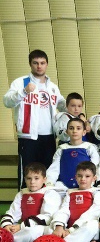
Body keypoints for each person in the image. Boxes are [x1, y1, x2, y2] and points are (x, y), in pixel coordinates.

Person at [3, 50, 66, 189]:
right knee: (27, 172)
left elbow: (64, 105)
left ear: (47, 64)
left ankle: (46, 201)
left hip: (49, 137)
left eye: (42, 63)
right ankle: (23, 201)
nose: (39, 66)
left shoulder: (52, 87)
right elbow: (7, 102)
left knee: (47, 173)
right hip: (28, 137)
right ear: (30, 64)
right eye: (35, 63)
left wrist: (79, 115)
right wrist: (24, 91)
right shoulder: (21, 82)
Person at [0, 163, 62, 242]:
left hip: (43, 228)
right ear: (25, 179)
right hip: (23, 227)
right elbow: (12, 212)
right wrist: (7, 226)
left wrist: (21, 226)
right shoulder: (22, 193)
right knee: (7, 230)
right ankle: (6, 239)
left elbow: (48, 217)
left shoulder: (50, 193)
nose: (32, 182)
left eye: (36, 178)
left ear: (44, 179)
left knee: (30, 232)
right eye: (29, 178)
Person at [49, 161, 100, 242]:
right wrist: (59, 226)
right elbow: (64, 210)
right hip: (69, 229)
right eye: (80, 176)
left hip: (83, 228)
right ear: (75, 177)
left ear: (94, 178)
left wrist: (73, 229)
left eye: (87, 176)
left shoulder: (97, 192)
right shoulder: (70, 192)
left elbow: (95, 211)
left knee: (92, 225)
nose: (83, 179)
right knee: (50, 228)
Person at [46, 117, 100, 195]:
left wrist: (91, 182)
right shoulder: (62, 149)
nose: (74, 131)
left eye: (78, 128)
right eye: (71, 128)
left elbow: (95, 166)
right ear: (67, 132)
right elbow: (54, 167)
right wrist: (50, 182)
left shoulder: (89, 147)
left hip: (85, 185)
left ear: (84, 132)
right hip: (64, 185)